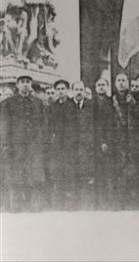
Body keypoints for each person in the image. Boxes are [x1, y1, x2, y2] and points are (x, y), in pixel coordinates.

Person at [0, 74, 47, 212]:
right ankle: (16, 205)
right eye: (22, 82)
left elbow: (43, 123)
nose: (25, 84)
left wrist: (42, 141)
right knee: (15, 175)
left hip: (34, 145)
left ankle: (34, 205)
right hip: (16, 145)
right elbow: (4, 125)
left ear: (31, 84)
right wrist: (5, 144)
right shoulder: (8, 103)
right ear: (17, 85)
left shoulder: (38, 102)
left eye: (28, 81)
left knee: (34, 174)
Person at [49, 79, 79, 210]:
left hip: (71, 145)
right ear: (55, 91)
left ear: (67, 90)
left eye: (63, 89)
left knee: (70, 173)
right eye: (58, 89)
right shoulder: (52, 107)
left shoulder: (73, 106)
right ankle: (59, 203)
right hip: (57, 146)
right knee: (58, 173)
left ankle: (71, 203)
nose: (61, 91)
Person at [112, 73, 136, 209]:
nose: (121, 83)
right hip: (117, 140)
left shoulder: (133, 99)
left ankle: (131, 202)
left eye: (124, 80)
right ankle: (119, 202)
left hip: (131, 140)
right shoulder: (112, 100)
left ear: (128, 83)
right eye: (119, 80)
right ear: (115, 83)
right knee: (118, 171)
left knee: (131, 171)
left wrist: (133, 104)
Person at [71, 81, 95, 209]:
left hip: (87, 146)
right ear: (72, 91)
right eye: (76, 89)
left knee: (87, 175)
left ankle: (87, 204)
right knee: (74, 175)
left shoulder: (91, 106)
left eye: (81, 90)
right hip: (72, 147)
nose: (79, 92)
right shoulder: (68, 106)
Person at [93, 78, 114, 209]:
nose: (101, 87)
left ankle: (108, 201)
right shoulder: (91, 103)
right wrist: (100, 140)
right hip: (96, 141)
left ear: (107, 87)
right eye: (98, 85)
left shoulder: (111, 102)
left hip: (110, 140)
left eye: (103, 85)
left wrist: (107, 140)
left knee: (109, 172)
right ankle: (98, 202)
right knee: (97, 172)